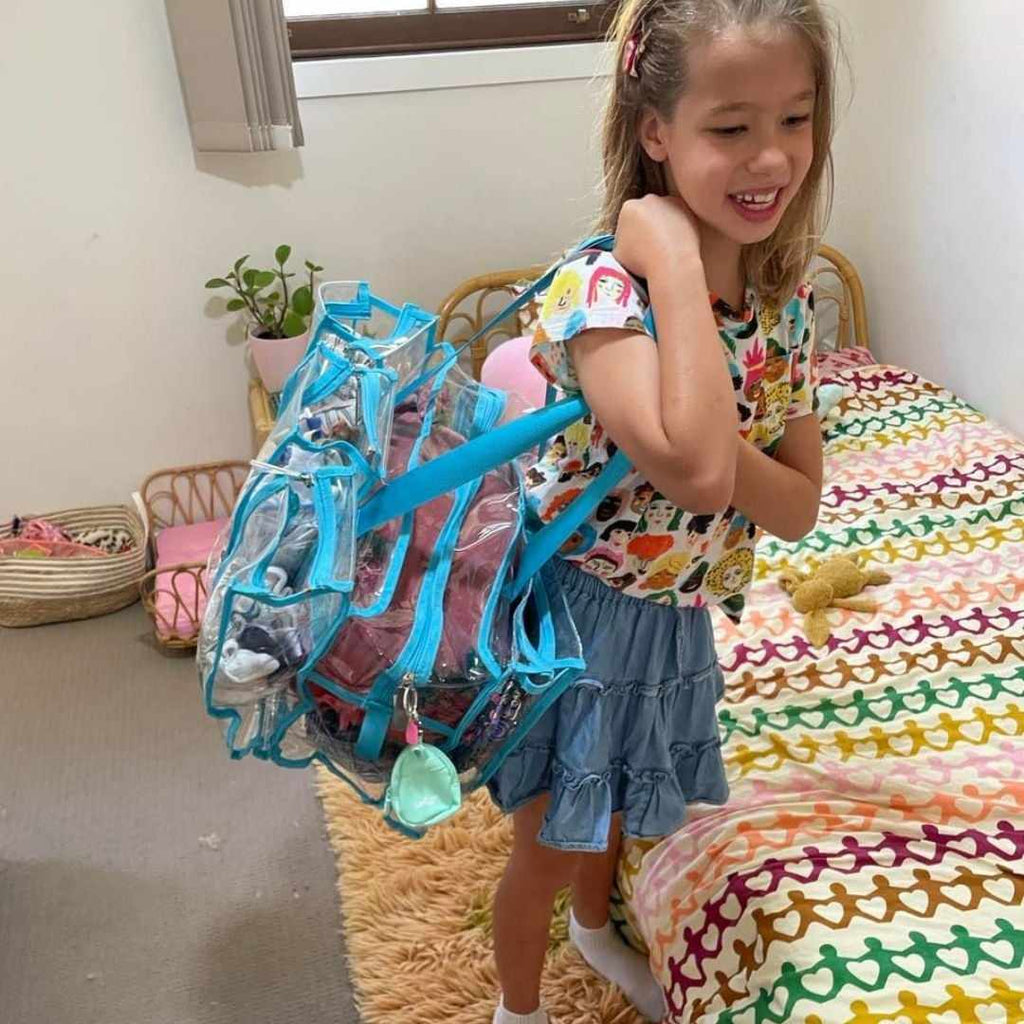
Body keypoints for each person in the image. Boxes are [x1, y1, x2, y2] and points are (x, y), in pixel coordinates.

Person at [487, 0, 837, 1021]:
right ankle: (515, 1007)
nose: (768, 158)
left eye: (795, 119)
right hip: (584, 615)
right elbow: (694, 476)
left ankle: (599, 933)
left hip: (677, 613)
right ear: (655, 134)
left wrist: (708, 447)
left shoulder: (787, 301)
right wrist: (675, 260)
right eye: (729, 128)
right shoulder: (603, 290)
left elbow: (799, 507)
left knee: (623, 807)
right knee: (552, 838)